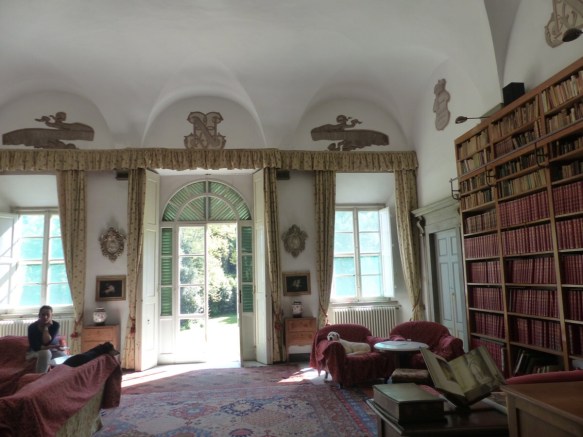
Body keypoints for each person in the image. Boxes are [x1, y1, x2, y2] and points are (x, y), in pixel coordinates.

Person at [27, 305, 67, 373]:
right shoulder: (32, 327)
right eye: (43, 314)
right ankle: (40, 376)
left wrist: (46, 328)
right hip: (34, 351)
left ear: (51, 315)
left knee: (64, 358)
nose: (45, 317)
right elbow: (36, 347)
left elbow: (47, 342)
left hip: (51, 350)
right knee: (46, 353)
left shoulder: (55, 325)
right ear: (39, 315)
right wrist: (54, 346)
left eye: (48, 315)